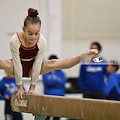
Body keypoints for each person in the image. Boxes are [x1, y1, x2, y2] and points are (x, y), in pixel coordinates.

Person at [0, 8, 98, 102]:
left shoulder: (41, 41)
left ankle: (81, 57)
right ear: (23, 29)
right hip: (15, 68)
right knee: (4, 63)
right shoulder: (15, 40)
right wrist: (20, 88)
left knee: (53, 63)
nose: (33, 37)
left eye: (36, 33)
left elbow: (37, 64)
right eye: (30, 33)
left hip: (33, 68)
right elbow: (17, 64)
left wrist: (32, 88)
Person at [42, 55, 67, 120]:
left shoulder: (61, 73)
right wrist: (57, 80)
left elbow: (63, 83)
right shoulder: (45, 72)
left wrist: (53, 81)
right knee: (47, 116)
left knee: (57, 117)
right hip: (49, 97)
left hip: (59, 97)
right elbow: (47, 82)